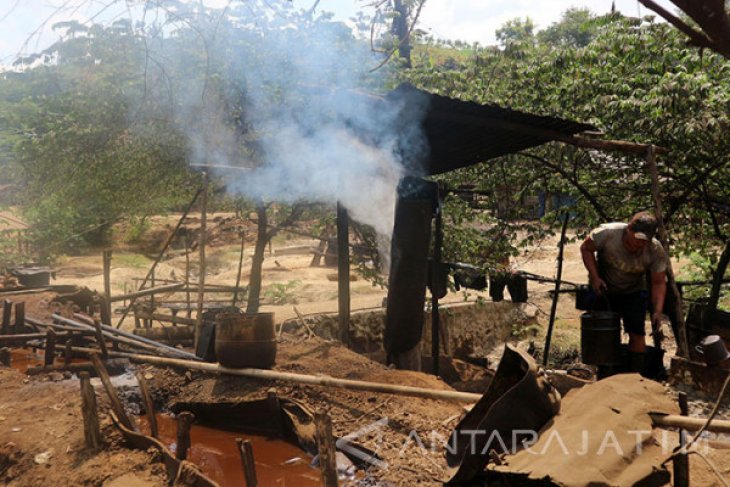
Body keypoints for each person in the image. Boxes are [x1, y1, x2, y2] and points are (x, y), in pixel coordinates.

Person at [580, 212, 667, 367]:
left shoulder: (655, 250)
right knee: (603, 333)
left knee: (637, 333)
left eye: (642, 243)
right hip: (604, 289)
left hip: (633, 291)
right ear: (628, 229)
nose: (637, 246)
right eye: (634, 241)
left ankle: (635, 375)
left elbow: (659, 282)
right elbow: (585, 248)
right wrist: (595, 277)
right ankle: (603, 373)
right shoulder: (607, 233)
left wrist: (657, 311)